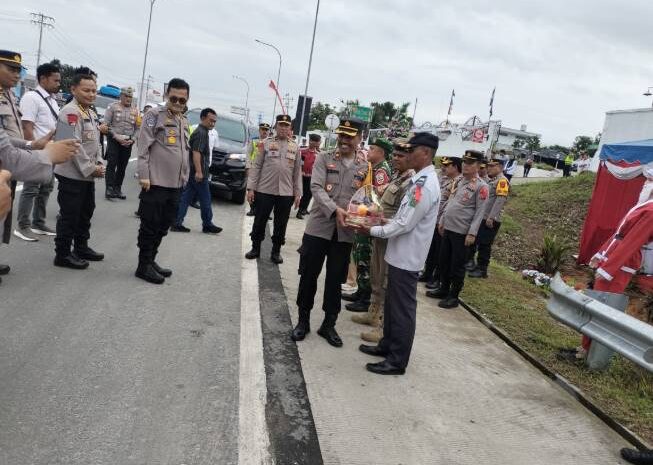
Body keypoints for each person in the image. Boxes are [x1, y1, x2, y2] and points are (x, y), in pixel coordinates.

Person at [355, 132, 441, 375]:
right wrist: (382, 219)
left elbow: (404, 225)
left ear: (425, 153)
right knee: (393, 307)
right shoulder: (419, 181)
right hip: (399, 255)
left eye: (412, 150)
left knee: (402, 310)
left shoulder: (423, 186)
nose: (407, 154)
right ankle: (387, 345)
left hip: (407, 258)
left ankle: (397, 360)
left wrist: (373, 228)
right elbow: (402, 218)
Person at [292, 117, 368, 347]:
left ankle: (329, 324)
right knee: (308, 275)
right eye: (341, 135)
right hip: (319, 227)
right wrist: (335, 210)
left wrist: (365, 216)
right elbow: (315, 187)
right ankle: (303, 321)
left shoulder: (364, 166)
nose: (344, 140)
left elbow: (366, 197)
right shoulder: (324, 158)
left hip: (344, 234)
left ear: (359, 138)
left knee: (335, 279)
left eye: (349, 136)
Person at [351, 138, 415, 343]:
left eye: (401, 156)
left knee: (387, 280)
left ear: (410, 158)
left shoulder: (411, 182)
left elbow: (403, 215)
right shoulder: (397, 178)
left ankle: (382, 325)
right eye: (395, 155)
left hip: (391, 237)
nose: (396, 159)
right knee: (376, 276)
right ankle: (372, 312)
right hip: (379, 232)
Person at [135, 78, 191, 284]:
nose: (177, 102)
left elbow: (184, 150)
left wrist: (184, 176)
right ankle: (143, 266)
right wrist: (143, 175)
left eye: (182, 99)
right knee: (150, 225)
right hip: (156, 182)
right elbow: (143, 147)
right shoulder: (153, 115)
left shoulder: (183, 120)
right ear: (167, 95)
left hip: (176, 184)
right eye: (174, 98)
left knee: (164, 224)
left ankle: (151, 260)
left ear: (187, 99)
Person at [53, 71, 106, 270]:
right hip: (71, 174)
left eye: (94, 91)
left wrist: (99, 163)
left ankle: (81, 247)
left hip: (86, 175)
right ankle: (63, 254)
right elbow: (70, 144)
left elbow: (95, 143)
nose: (91, 94)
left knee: (85, 212)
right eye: (86, 90)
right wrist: (92, 169)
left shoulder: (89, 112)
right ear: (73, 89)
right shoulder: (69, 112)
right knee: (70, 214)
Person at [430, 150, 488, 308]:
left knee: (457, 265)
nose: (465, 165)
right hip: (448, 227)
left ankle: (453, 296)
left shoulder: (481, 186)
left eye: (470, 163)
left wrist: (472, 233)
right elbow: (450, 201)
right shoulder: (459, 180)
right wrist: (442, 220)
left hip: (462, 232)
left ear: (478, 166)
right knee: (443, 261)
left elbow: (479, 212)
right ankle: (443, 288)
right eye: (464, 162)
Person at [245, 114, 302, 264]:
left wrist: (298, 194)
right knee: (259, 220)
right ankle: (255, 248)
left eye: (286, 125)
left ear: (290, 128)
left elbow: (297, 173)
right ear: (276, 126)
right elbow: (256, 166)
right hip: (264, 190)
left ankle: (276, 251)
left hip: (286, 192)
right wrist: (251, 188)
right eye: (280, 125)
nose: (283, 128)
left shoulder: (295, 147)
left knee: (281, 223)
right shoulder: (265, 143)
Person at [344, 137, 392, 313]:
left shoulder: (381, 171)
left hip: (371, 220)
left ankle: (365, 298)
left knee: (365, 257)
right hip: (365, 217)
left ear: (381, 153)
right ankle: (360, 292)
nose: (368, 151)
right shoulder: (373, 168)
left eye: (372, 149)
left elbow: (376, 198)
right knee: (359, 256)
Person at [15, 62, 60, 241]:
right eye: (55, 80)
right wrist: (32, 149)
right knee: (31, 188)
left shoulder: (52, 100)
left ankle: (38, 222)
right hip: (37, 150)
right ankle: (23, 224)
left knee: (47, 187)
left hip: (50, 150)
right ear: (43, 78)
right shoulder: (31, 98)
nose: (58, 84)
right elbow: (27, 127)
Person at [171, 107, 221, 234]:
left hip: (195, 171)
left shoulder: (203, 131)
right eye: (211, 120)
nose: (213, 123)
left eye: (215, 121)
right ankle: (207, 224)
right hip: (198, 172)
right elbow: (196, 152)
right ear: (203, 118)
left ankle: (177, 222)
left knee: (186, 198)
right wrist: (199, 172)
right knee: (206, 200)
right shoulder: (201, 133)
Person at [423, 156, 462, 290]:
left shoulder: (458, 182)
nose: (444, 167)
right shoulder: (445, 179)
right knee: (432, 250)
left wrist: (442, 220)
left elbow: (449, 204)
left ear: (456, 167)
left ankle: (437, 278)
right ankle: (428, 273)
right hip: (436, 219)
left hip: (444, 222)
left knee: (441, 253)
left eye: (448, 165)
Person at [468, 158, 510, 278]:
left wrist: (491, 217)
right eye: (489, 166)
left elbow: (500, 200)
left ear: (501, 167)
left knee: (485, 245)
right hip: (484, 217)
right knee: (478, 242)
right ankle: (474, 265)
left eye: (493, 166)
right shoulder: (492, 180)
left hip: (491, 219)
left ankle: (482, 270)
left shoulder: (502, 181)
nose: (489, 168)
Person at [103, 87, 137, 200]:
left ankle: (118, 188)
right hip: (114, 140)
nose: (128, 98)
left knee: (122, 166)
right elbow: (106, 124)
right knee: (112, 164)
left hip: (128, 142)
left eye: (130, 96)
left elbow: (138, 128)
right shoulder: (112, 107)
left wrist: (133, 139)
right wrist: (116, 136)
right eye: (126, 96)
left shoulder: (135, 110)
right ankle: (109, 188)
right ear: (121, 96)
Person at [245, 122, 271, 217]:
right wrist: (248, 167)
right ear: (259, 130)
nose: (264, 132)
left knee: (264, 191)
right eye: (262, 129)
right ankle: (253, 209)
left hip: (266, 171)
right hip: (253, 168)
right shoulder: (254, 141)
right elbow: (248, 154)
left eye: (266, 130)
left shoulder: (271, 143)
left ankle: (265, 211)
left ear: (269, 131)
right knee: (251, 189)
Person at [296, 133, 321, 219]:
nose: (318, 143)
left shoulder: (318, 154)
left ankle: (303, 209)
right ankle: (299, 210)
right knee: (300, 193)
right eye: (316, 141)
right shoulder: (302, 151)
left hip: (311, 177)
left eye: (318, 142)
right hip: (301, 176)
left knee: (308, 194)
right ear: (311, 141)